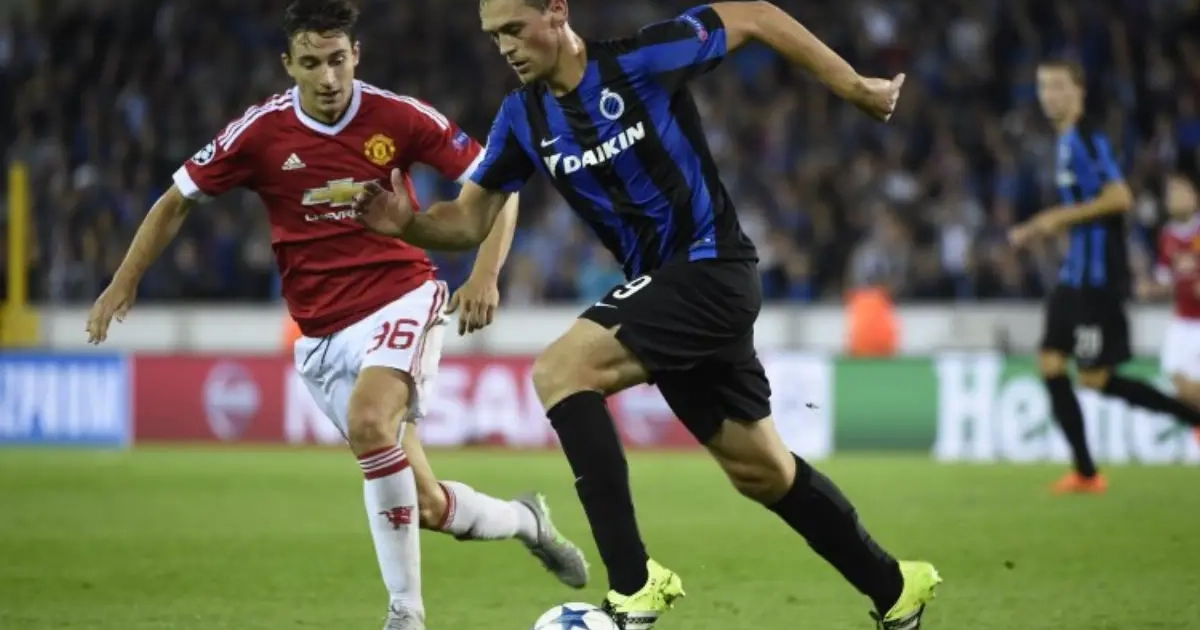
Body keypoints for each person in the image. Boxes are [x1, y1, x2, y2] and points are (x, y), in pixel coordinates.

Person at [350, 1, 940, 629]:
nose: (506, 48)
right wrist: (408, 223)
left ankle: (634, 586)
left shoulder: (642, 60)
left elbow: (757, 16)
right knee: (761, 471)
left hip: (712, 267)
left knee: (561, 371)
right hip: (665, 291)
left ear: (557, 11)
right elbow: (468, 221)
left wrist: (854, 86)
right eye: (495, 37)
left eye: (515, 29)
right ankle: (895, 588)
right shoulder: (523, 117)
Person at [84, 1, 587, 628]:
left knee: (371, 422)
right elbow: (176, 200)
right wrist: (123, 281)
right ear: (288, 65)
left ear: (357, 56)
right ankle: (526, 520)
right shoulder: (260, 133)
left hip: (401, 295)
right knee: (427, 505)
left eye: (338, 60)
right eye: (312, 63)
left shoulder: (399, 116)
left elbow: (497, 183)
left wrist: (485, 273)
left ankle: (405, 614)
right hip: (322, 336)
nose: (328, 78)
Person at [1009, 60, 1200, 494]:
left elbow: (1120, 197)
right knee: (1050, 362)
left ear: (1079, 91)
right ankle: (1086, 473)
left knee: (1094, 378)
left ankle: (1194, 418)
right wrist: (1040, 226)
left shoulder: (1087, 136)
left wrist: (1057, 217)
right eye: (1043, 87)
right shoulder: (1063, 141)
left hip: (1098, 278)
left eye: (1059, 86)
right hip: (1073, 276)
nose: (1049, 95)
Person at [1139, 174, 1200, 439]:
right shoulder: (1167, 235)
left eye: (1181, 191)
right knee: (1181, 387)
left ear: (1195, 196)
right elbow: (1166, 279)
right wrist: (1151, 288)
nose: (1175, 197)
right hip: (1182, 320)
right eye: (1171, 193)